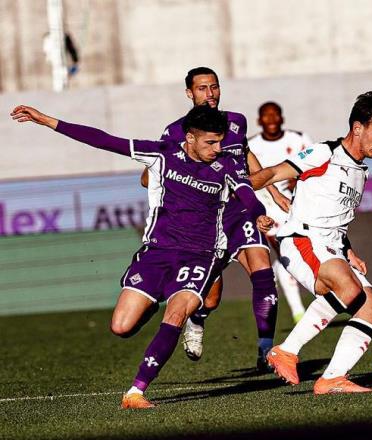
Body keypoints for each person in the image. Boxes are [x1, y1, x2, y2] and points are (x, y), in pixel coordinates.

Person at [10, 104, 273, 408]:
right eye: (210, 142)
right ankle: (151, 305)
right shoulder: (162, 154)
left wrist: (259, 214)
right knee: (121, 327)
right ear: (190, 138)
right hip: (157, 253)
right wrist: (47, 121)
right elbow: (103, 140)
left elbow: (247, 193)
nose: (217, 149)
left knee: (176, 314)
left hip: (201, 256)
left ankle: (136, 391)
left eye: (220, 142)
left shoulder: (227, 164)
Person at [250, 91, 372, 394]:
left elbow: (335, 218)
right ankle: (286, 350)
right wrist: (233, 190)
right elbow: (273, 173)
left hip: (332, 246)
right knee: (348, 289)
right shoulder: (324, 153)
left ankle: (332, 378)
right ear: (357, 128)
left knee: (371, 309)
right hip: (302, 239)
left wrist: (349, 250)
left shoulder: (361, 171)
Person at [142, 67, 289, 371]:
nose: (209, 94)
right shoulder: (175, 131)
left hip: (240, 210)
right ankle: (197, 319)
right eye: (202, 88)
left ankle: (266, 350)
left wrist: (273, 192)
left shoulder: (236, 121)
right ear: (189, 93)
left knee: (263, 272)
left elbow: (246, 156)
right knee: (210, 299)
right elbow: (148, 177)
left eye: (214, 87)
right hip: (208, 222)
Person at [249, 101, 313, 324]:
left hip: (298, 205)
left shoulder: (299, 139)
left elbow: (316, 165)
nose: (271, 119)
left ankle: (309, 305)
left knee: (298, 255)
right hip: (268, 209)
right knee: (286, 252)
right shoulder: (251, 146)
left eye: (275, 114)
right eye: (266, 115)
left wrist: (302, 179)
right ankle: (298, 312)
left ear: (282, 118)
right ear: (259, 121)